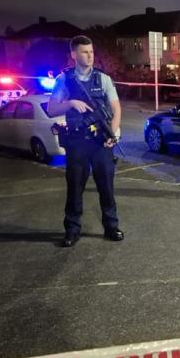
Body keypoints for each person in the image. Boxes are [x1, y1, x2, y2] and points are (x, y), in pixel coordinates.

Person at [47, 35, 124, 248]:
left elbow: (116, 108)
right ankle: (72, 230)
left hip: (101, 143)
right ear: (73, 54)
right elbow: (52, 109)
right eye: (84, 52)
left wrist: (114, 133)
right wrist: (70, 103)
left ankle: (111, 227)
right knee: (74, 189)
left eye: (91, 51)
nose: (90, 56)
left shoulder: (103, 79)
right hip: (77, 142)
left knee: (107, 188)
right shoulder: (64, 80)